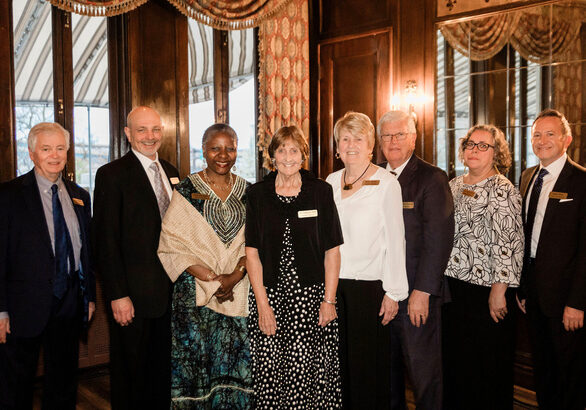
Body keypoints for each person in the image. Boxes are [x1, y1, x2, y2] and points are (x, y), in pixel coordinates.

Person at [245, 125, 343, 408]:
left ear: (303, 155)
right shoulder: (258, 194)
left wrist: (329, 300)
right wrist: (262, 306)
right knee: (270, 371)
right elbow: (252, 254)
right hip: (270, 297)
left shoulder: (320, 192)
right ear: (272, 156)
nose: (288, 156)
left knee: (304, 371)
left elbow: (332, 252)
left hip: (310, 299)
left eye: (294, 150)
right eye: (281, 150)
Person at [0, 122, 95, 409]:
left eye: (60, 148)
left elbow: (85, 252)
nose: (54, 155)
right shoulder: (8, 195)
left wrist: (88, 296)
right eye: (45, 149)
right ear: (31, 153)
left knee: (63, 384)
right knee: (15, 388)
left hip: (69, 303)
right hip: (21, 307)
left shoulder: (80, 196)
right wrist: (0, 309)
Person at [157, 123, 253, 408]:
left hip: (239, 292)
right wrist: (214, 279)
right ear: (204, 150)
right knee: (198, 371)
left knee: (236, 366)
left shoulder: (249, 191)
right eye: (215, 148)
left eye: (230, 148)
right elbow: (171, 243)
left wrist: (234, 276)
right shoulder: (186, 189)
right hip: (194, 297)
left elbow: (257, 242)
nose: (223, 155)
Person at [92, 106, 179, 409]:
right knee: (131, 375)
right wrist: (118, 295)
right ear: (128, 134)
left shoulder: (172, 172)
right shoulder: (111, 175)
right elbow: (105, 241)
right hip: (132, 297)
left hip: (170, 293)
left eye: (155, 129)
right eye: (141, 130)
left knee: (161, 373)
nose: (150, 136)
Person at [325, 111, 409, 409]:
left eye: (358, 138)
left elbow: (396, 240)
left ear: (370, 145)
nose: (351, 145)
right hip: (334, 289)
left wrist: (393, 293)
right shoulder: (330, 182)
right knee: (339, 368)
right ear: (336, 147)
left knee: (366, 370)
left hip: (369, 290)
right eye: (344, 139)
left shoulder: (386, 183)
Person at [442, 124, 524, 410]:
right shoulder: (454, 184)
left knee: (486, 367)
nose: (474, 150)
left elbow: (511, 243)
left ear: (496, 153)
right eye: (470, 144)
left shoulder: (503, 190)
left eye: (483, 145)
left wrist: (499, 291)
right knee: (456, 363)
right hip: (454, 289)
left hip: (487, 292)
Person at [377, 110, 454, 410]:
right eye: (387, 136)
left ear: (413, 138)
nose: (393, 141)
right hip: (383, 296)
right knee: (388, 376)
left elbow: (439, 240)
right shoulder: (375, 178)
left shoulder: (431, 178)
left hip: (415, 298)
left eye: (400, 135)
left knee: (424, 378)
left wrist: (422, 293)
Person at [517, 109, 586, 410]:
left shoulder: (581, 181)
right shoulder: (528, 176)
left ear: (566, 139)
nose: (542, 140)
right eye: (536, 134)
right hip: (532, 293)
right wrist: (520, 288)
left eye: (550, 134)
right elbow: (524, 235)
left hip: (567, 300)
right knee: (543, 371)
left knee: (569, 375)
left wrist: (578, 302)